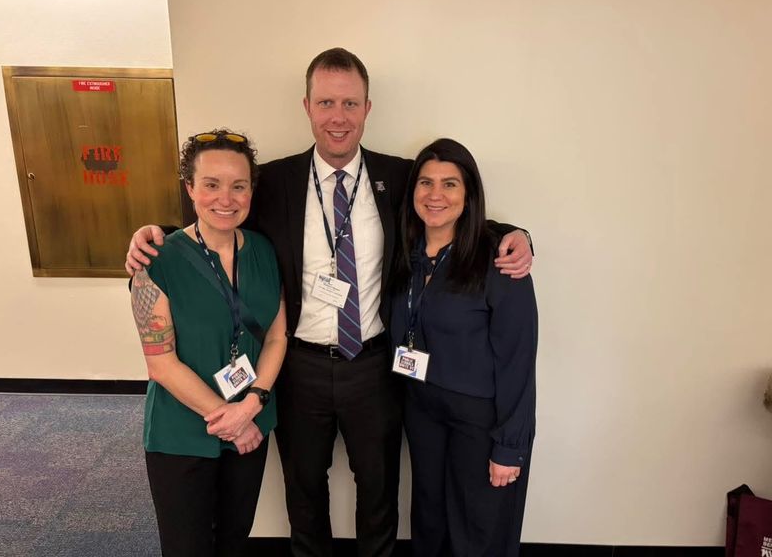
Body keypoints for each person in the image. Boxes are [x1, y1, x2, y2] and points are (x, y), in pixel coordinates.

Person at [125, 48, 533, 557]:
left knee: (380, 494)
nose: (338, 117)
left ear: (367, 108)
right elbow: (214, 215)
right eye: (326, 103)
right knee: (304, 495)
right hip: (297, 367)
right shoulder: (272, 182)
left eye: (349, 103)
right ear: (307, 107)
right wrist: (155, 232)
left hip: (375, 366)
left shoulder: (400, 176)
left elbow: (450, 204)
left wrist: (513, 234)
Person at [130, 130, 286, 556]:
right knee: (187, 547)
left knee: (234, 539)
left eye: (238, 185)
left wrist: (251, 406)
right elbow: (161, 364)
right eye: (211, 184)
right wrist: (229, 419)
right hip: (181, 433)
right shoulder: (156, 261)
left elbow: (276, 335)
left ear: (251, 190)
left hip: (252, 422)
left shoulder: (265, 251)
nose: (226, 198)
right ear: (190, 189)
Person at [389, 138, 538, 557]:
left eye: (450, 184)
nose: (435, 195)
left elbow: (518, 359)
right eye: (425, 183)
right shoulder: (406, 251)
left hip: (481, 420)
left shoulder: (500, 259)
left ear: (469, 194)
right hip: (423, 410)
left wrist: (510, 446)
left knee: (478, 531)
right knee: (430, 524)